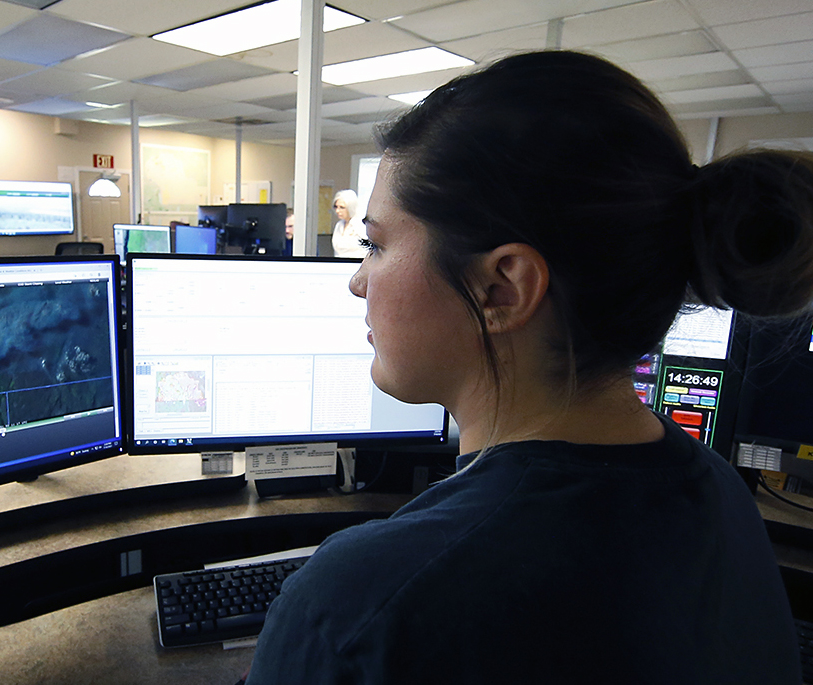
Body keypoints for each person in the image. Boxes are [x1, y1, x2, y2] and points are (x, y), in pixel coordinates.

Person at [245, 50, 809, 684]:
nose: (357, 282)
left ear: (502, 289)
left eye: (375, 245)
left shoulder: (366, 603)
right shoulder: (719, 494)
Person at [330, 189, 367, 258]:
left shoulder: (361, 225)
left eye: (342, 207)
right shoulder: (339, 225)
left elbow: (366, 250)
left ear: (351, 207)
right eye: (336, 207)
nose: (337, 211)